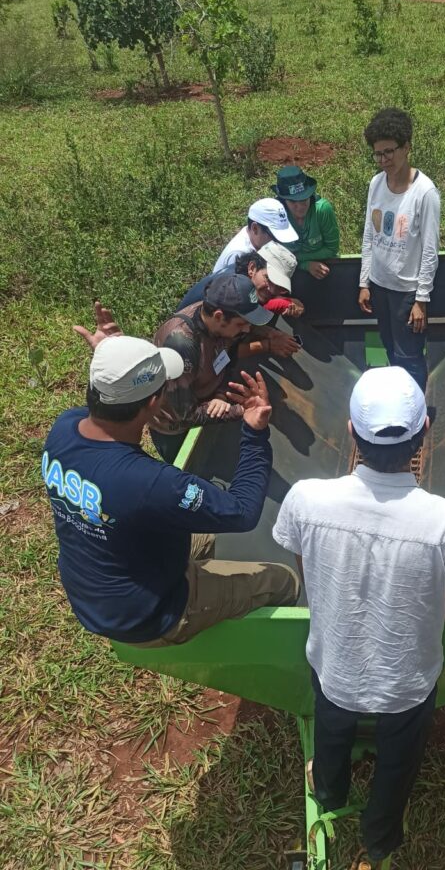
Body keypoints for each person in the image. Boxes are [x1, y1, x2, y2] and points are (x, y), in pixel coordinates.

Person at [272, 366, 445, 861]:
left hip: (334, 666)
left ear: (351, 432)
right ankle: (380, 835)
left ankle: (330, 791)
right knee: (399, 758)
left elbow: (308, 573)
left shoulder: (305, 499)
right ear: (424, 434)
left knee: (331, 728)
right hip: (407, 681)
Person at [43, 325, 300, 647]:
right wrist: (254, 431)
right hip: (147, 615)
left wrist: (112, 363)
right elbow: (242, 512)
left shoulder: (64, 428)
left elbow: (108, 398)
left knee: (205, 533)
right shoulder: (153, 482)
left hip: (96, 586)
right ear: (154, 402)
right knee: (283, 580)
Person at [149, 273, 276, 464]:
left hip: (208, 402)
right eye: (241, 324)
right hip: (175, 428)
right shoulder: (181, 345)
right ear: (219, 316)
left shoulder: (221, 324)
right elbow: (183, 415)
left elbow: (229, 357)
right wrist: (241, 410)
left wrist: (221, 394)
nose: (247, 330)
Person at [358, 108, 441, 393]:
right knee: (390, 350)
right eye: (378, 154)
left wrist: (421, 299)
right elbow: (370, 234)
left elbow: (430, 251)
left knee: (410, 357)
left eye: (389, 152)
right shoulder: (376, 183)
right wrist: (364, 282)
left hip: (406, 292)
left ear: (407, 147)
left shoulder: (425, 193)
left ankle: (415, 409)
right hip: (379, 287)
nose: (384, 160)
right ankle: (399, 402)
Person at [177, 242, 304, 321]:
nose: (272, 290)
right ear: (252, 268)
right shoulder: (230, 291)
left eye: (280, 286)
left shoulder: (246, 280)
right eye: (268, 279)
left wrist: (287, 302)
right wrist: (266, 342)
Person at [273, 165, 340, 280]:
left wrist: (297, 257)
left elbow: (332, 249)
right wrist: (305, 265)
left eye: (304, 199)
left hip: (322, 270)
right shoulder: (276, 214)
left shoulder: (322, 210)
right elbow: (275, 256)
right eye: (293, 202)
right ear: (283, 200)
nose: (300, 207)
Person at [213, 198, 298, 273]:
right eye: (274, 237)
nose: (278, 242)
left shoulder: (253, 238)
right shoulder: (239, 255)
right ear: (255, 228)